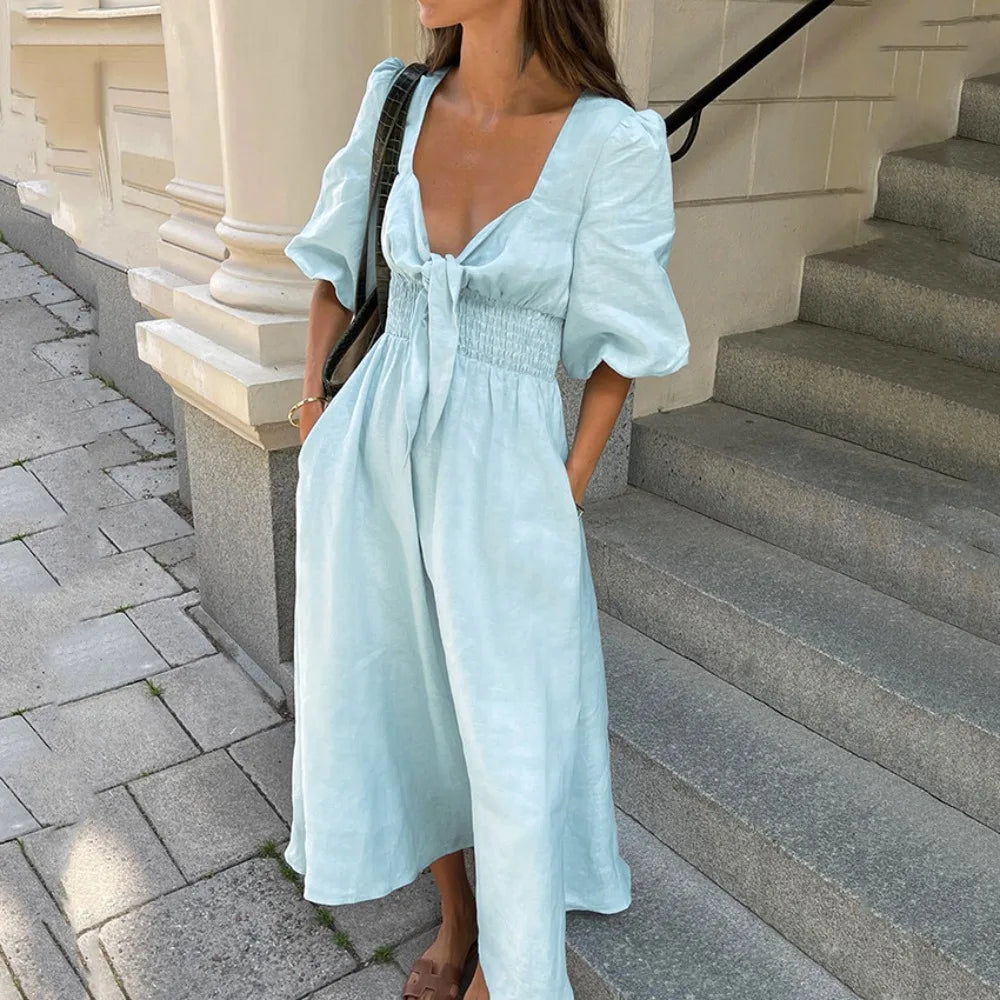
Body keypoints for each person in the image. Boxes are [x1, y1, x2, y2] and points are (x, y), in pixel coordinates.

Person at [282, 2, 689, 997]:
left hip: (508, 472)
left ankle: (511, 968)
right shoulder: (397, 101)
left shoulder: (612, 143)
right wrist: (316, 407)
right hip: (374, 451)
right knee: (404, 700)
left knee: (510, 725)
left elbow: (622, 346)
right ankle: (458, 919)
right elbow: (336, 263)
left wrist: (569, 483)